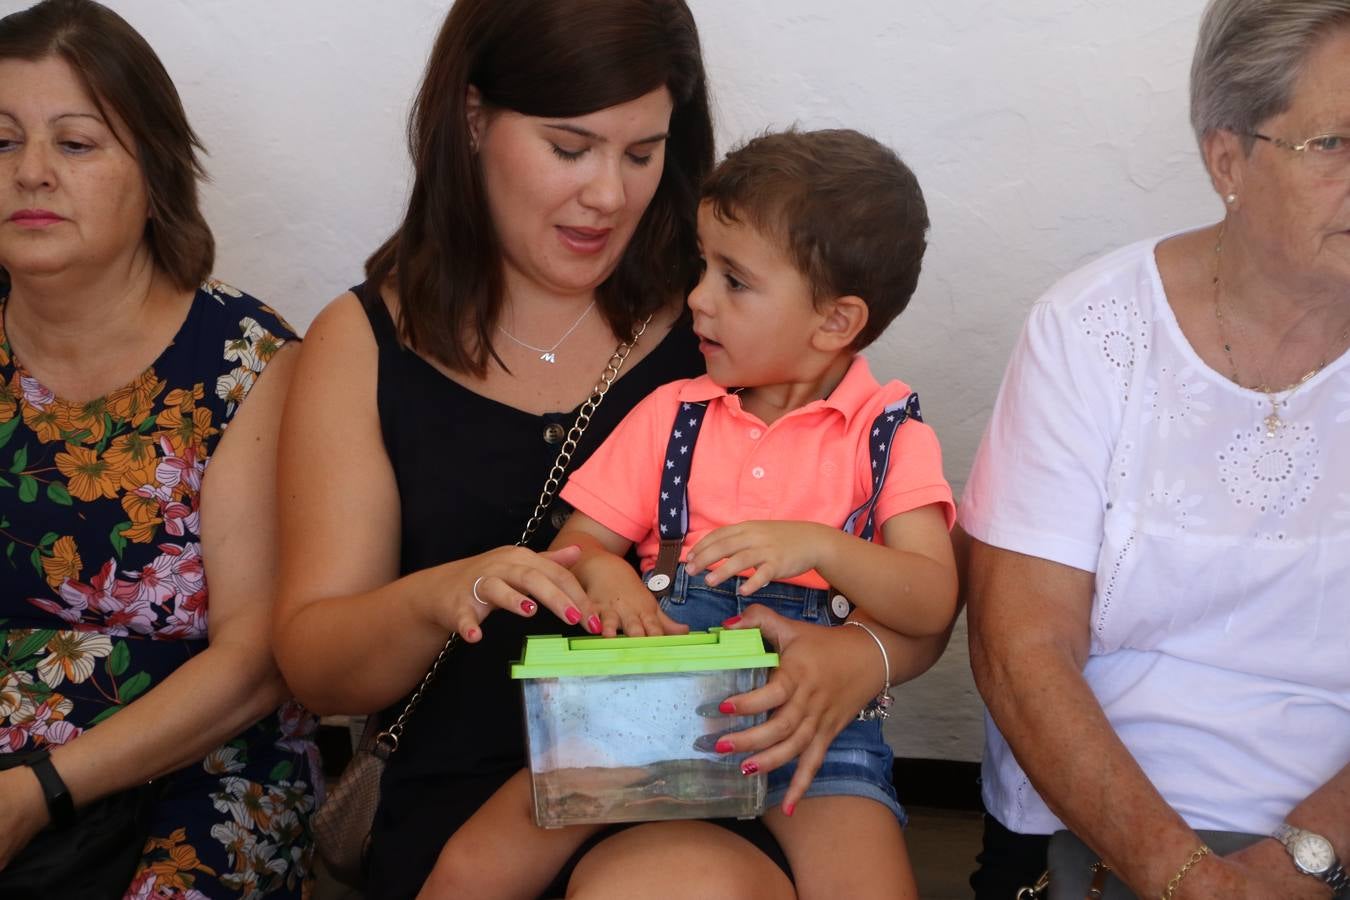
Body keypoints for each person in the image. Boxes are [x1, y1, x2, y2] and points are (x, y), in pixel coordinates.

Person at [272, 3, 956, 897]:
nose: (610, 195)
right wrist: (448, 591)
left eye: (643, 153)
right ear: (474, 119)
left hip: (715, 776)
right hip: (478, 790)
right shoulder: (365, 340)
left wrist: (854, 659)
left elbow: (912, 597)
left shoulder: (732, 322)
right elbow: (315, 668)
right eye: (571, 148)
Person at [423, 128, 958, 900]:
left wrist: (821, 547)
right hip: (643, 700)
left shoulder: (889, 437)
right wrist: (614, 583)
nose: (699, 298)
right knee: (475, 865)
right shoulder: (675, 415)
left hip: (809, 726)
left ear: (835, 322)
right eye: (702, 267)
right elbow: (581, 546)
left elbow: (931, 597)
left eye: (734, 281)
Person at [960, 0, 1350, 897]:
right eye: (1335, 145)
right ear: (1229, 159)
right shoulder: (1094, 331)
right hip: (1103, 835)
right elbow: (1021, 647)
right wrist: (1187, 879)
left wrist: (1310, 852)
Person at [0, 1, 318, 897]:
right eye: (1, 140)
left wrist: (39, 793)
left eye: (75, 143)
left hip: (196, 762)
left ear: (155, 170)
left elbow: (258, 662)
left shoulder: (247, 362)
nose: (30, 174)